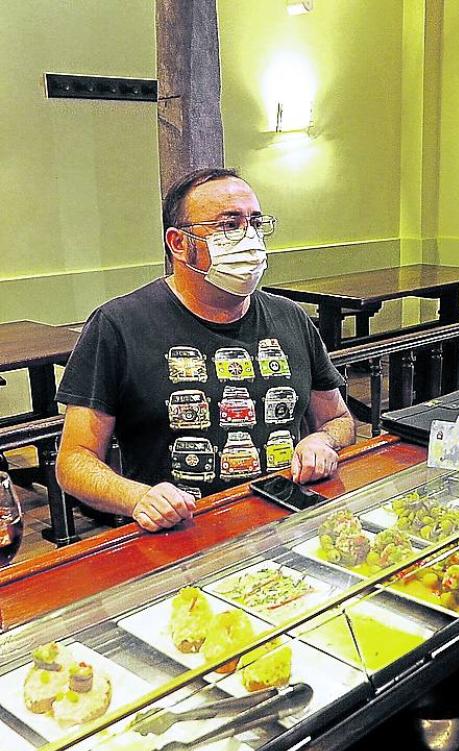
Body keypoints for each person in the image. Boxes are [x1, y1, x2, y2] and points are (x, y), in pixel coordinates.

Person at [56, 168, 355, 533]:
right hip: (182, 534)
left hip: (286, 519)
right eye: (229, 225)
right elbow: (74, 460)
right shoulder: (118, 325)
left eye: (256, 223)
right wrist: (137, 497)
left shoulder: (288, 317)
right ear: (179, 243)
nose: (249, 238)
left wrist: (322, 441)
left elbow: (339, 419)